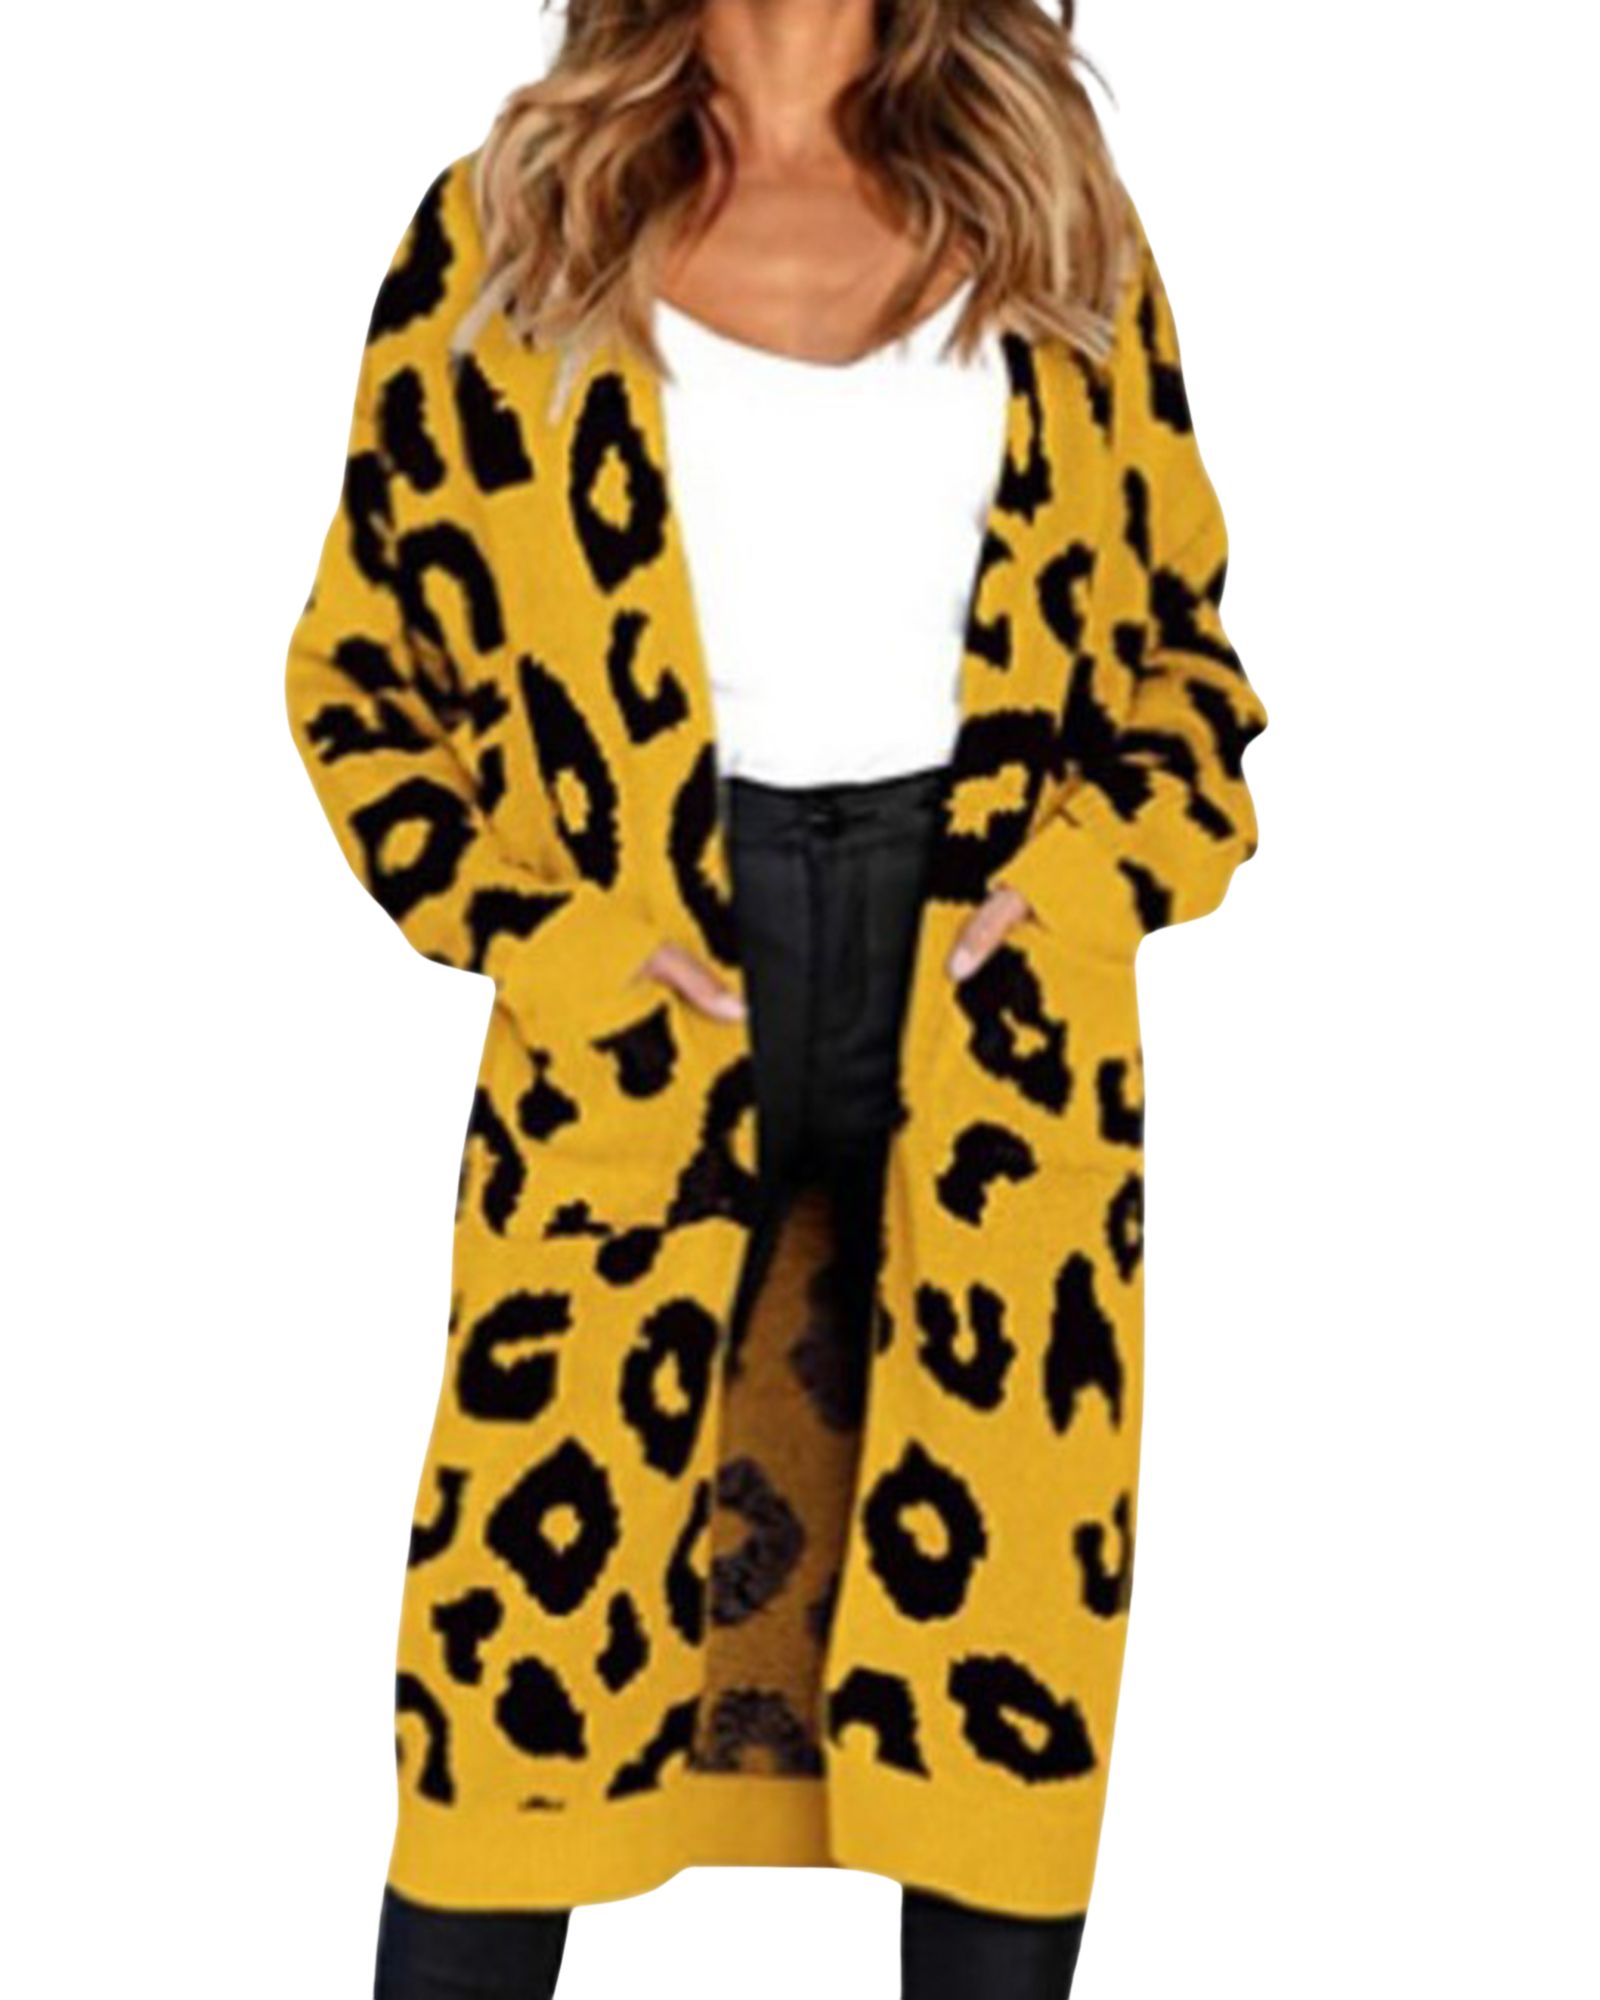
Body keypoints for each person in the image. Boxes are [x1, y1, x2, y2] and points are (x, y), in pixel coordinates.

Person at [283, 3, 1268, 1994]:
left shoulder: (1053, 213)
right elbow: (361, 680)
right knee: (521, 1662)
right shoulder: (508, 223)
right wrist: (549, 941)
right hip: (642, 1013)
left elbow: (1184, 671)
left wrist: (1077, 896)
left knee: (994, 1664)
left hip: (989, 1022)